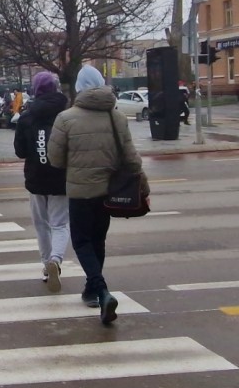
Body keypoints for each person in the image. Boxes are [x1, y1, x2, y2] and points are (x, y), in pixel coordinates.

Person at [48, 65, 148, 326]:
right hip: (108, 191)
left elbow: (55, 159)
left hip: (80, 191)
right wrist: (142, 183)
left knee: (81, 242)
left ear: (79, 88)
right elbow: (131, 157)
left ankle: (101, 290)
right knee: (98, 240)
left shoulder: (65, 118)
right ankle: (92, 291)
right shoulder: (117, 117)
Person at [13, 72, 69, 293]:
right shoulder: (66, 114)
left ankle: (47, 265)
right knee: (60, 224)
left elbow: (20, 152)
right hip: (60, 177)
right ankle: (56, 259)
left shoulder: (27, 116)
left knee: (41, 225)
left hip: (36, 177)